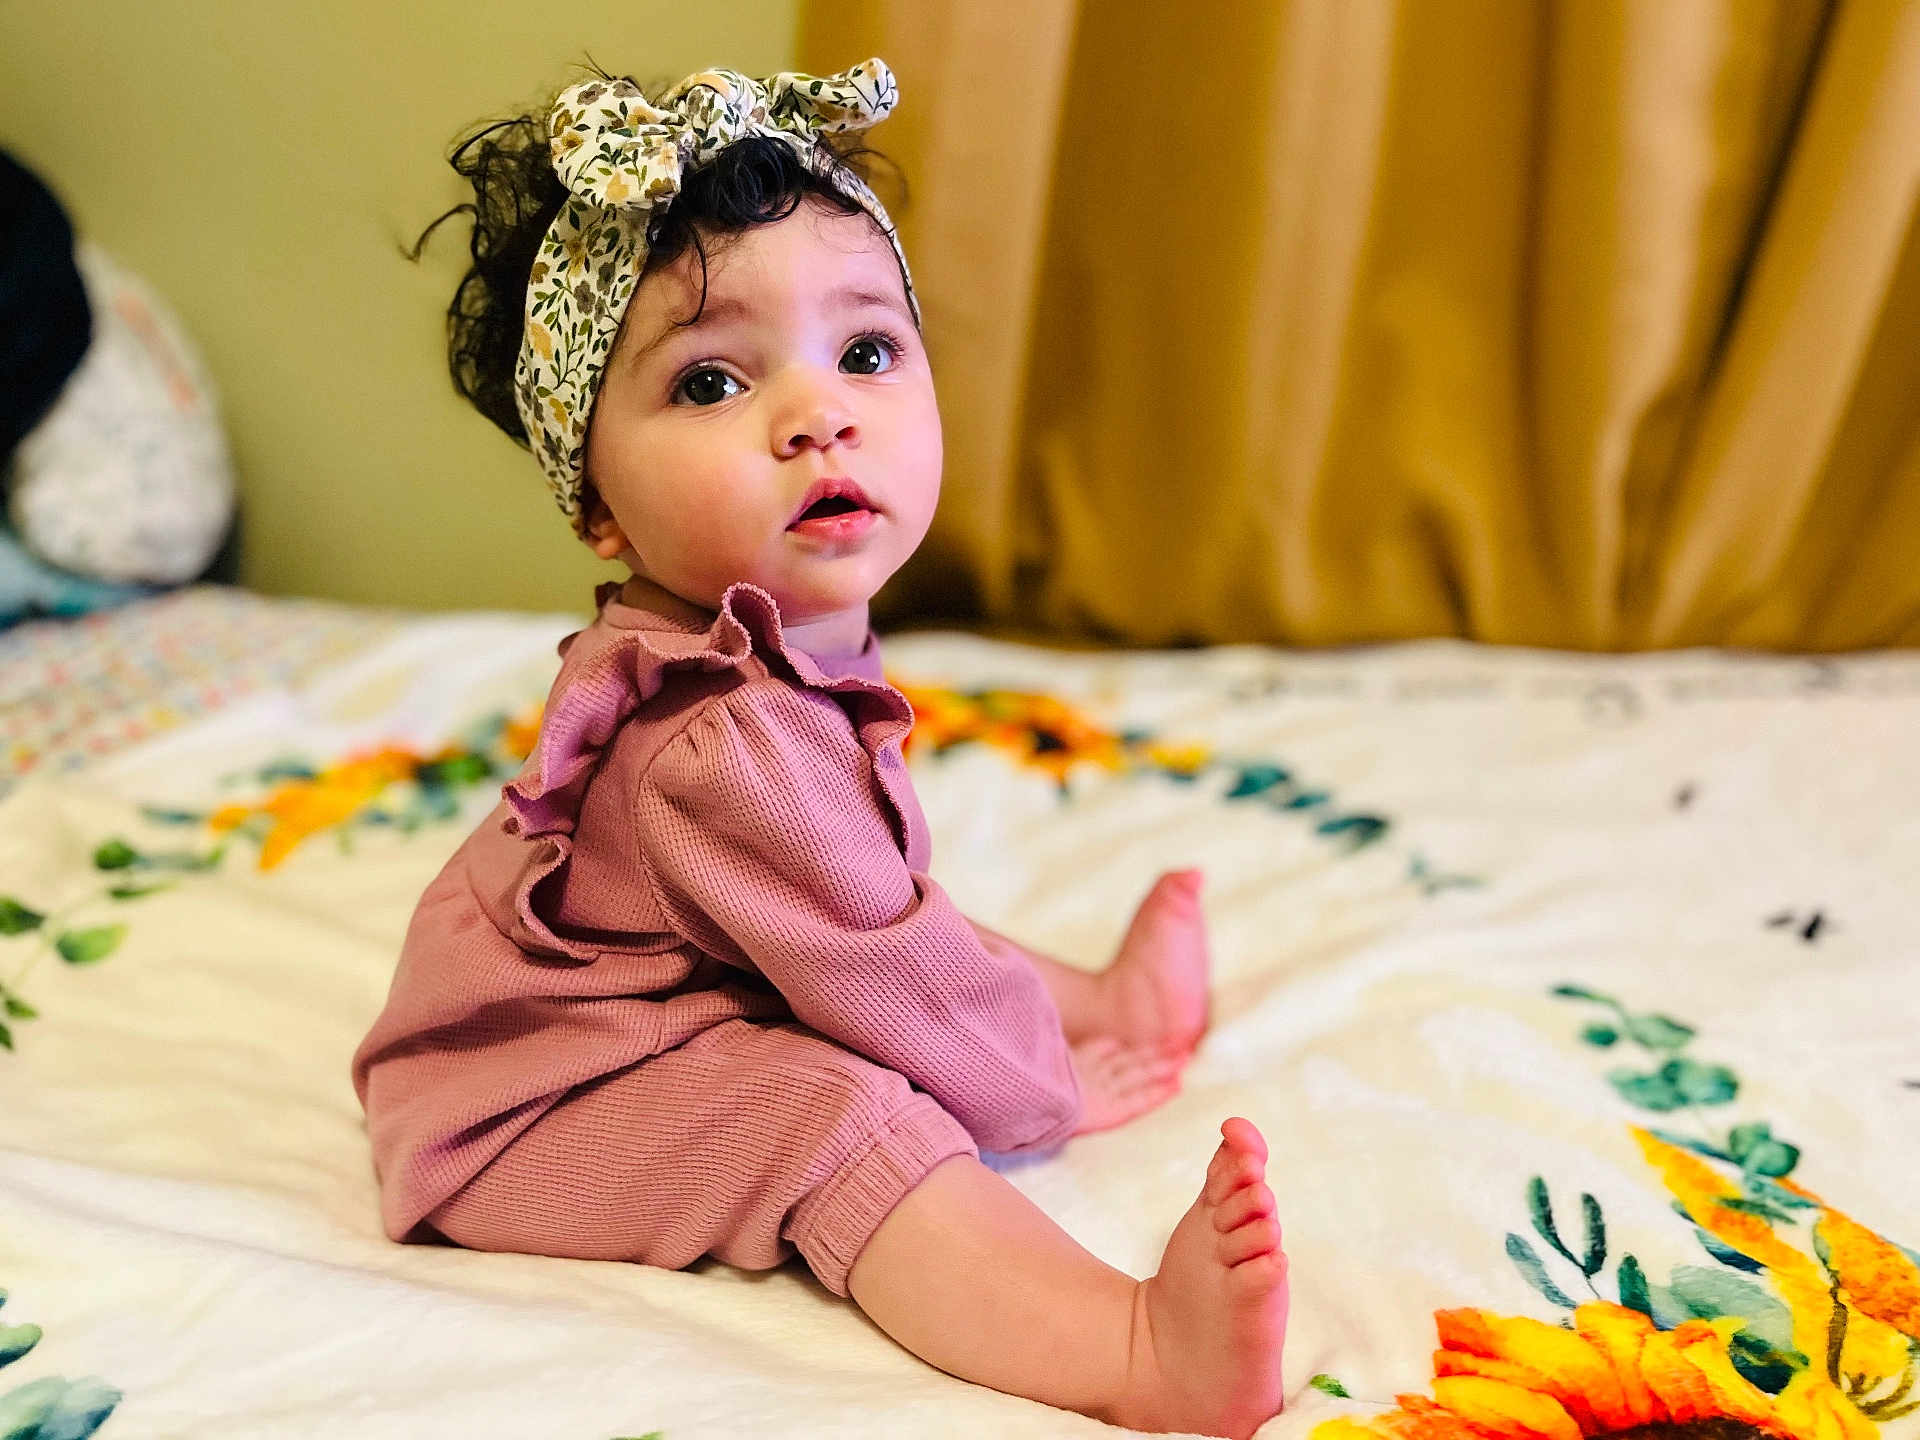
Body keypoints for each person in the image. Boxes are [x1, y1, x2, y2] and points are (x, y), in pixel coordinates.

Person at [352, 59, 1287, 1438]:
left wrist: (1058, 1010)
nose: (819, 414)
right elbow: (891, 976)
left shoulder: (782, 635)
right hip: (518, 1113)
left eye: (865, 352)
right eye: (714, 379)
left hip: (642, 1000)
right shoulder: (723, 742)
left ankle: (1106, 994)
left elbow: (880, 912)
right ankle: (1136, 1348)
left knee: (878, 932)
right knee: (822, 1105)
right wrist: (1034, 1091)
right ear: (598, 509)